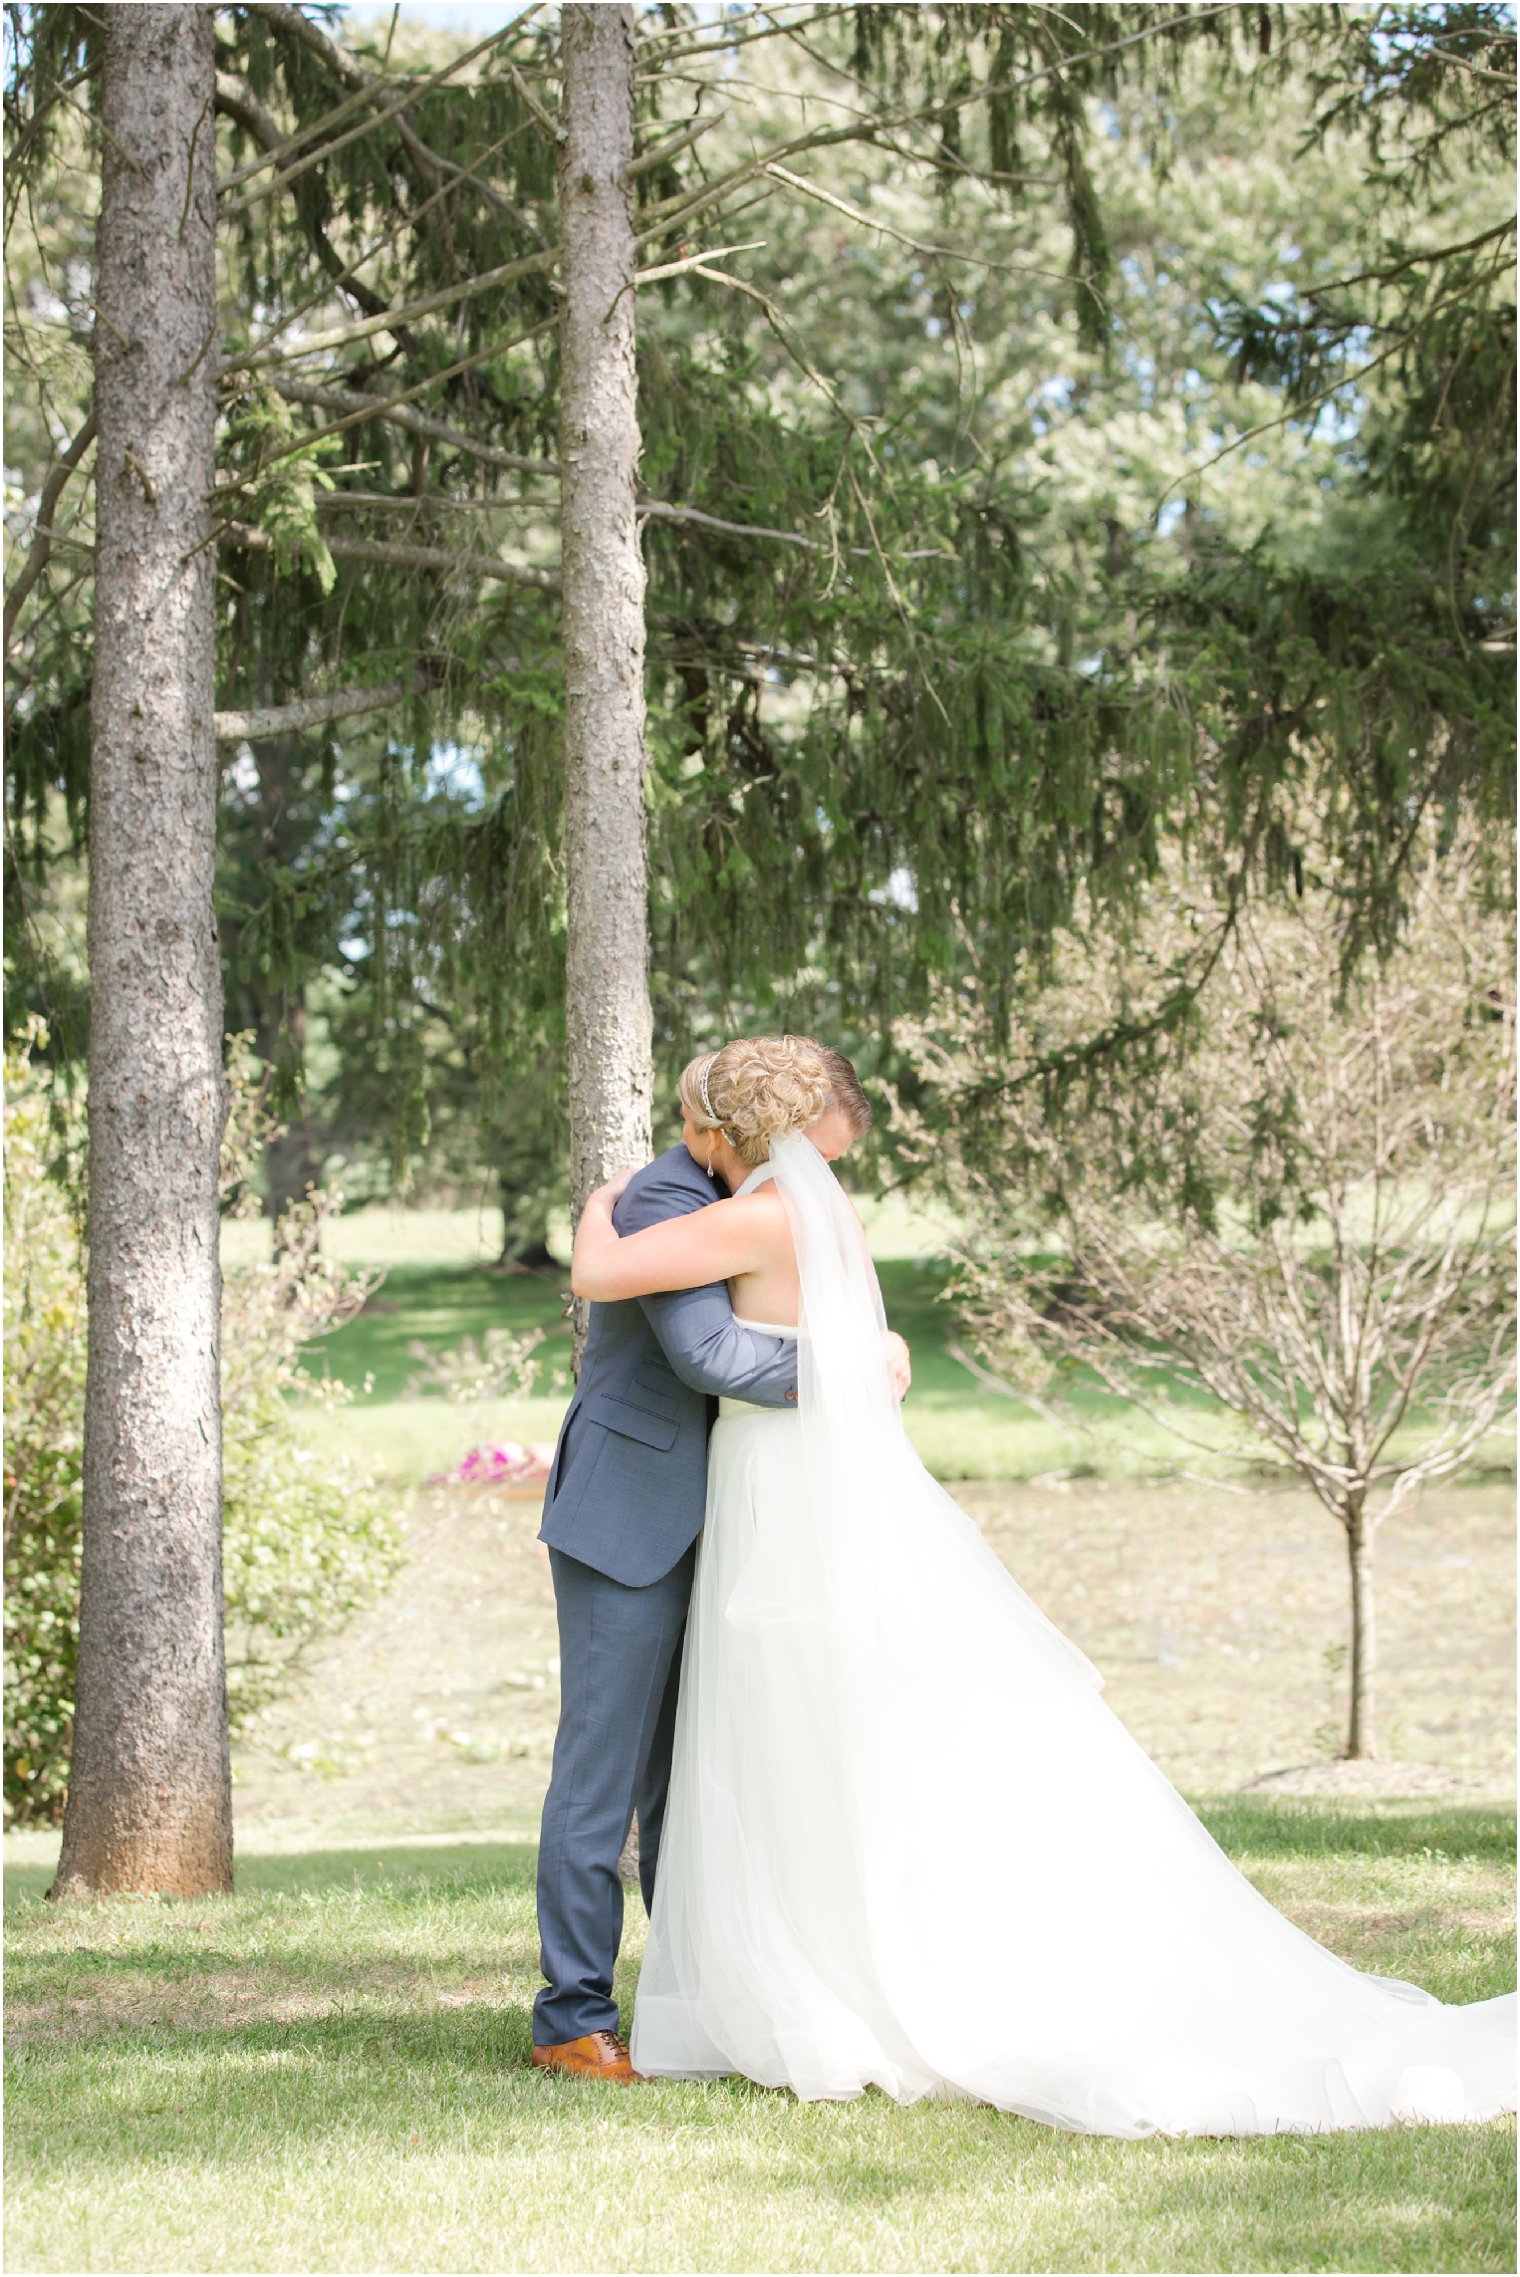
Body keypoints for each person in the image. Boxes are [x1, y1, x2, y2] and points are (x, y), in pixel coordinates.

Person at [569, 1034, 1517, 2137]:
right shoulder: (825, 1213)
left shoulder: (750, 1213)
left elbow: (602, 1276)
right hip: (804, 1472)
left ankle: (822, 1977)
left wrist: (601, 1202)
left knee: (790, 1719)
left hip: (777, 1482)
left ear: (732, 1132)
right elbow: (849, 1342)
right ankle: (816, 1965)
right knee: (815, 1722)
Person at [531, 1039, 902, 2081]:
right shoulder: (660, 1200)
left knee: (695, 1780)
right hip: (634, 1516)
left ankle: (702, 2002)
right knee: (602, 1782)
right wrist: (855, 1367)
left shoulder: (743, 1195)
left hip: (737, 1518)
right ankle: (569, 2017)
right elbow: (709, 1355)